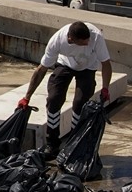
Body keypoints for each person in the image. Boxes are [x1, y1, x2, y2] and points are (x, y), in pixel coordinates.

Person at [17, 21, 113, 155]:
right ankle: (52, 144)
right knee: (54, 99)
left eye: (88, 41)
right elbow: (41, 70)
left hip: (88, 67)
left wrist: (105, 88)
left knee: (80, 103)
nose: (87, 43)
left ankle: (74, 144)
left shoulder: (95, 37)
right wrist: (27, 97)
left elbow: (106, 64)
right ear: (71, 39)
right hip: (65, 65)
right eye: (83, 42)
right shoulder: (57, 41)